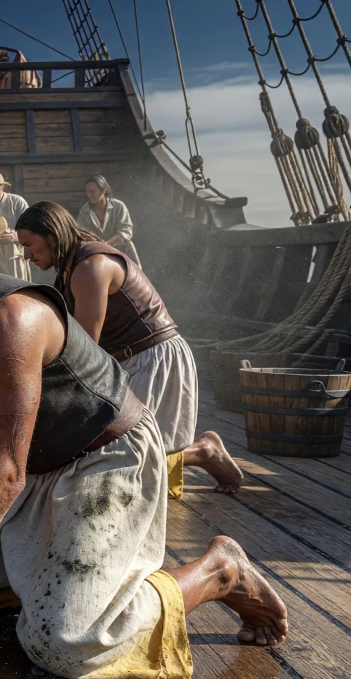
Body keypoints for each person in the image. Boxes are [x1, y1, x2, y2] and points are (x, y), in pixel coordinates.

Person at [0, 213, 287, 679]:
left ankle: (219, 572)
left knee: (61, 642)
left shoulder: (7, 322)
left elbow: (2, 473)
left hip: (104, 459)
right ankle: (51, 582)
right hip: (29, 468)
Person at [16, 201, 243, 498]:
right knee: (120, 453)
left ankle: (204, 452)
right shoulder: (72, 266)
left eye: (29, 244)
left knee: (129, 455)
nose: (26, 254)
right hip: (127, 360)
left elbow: (85, 345)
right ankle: (200, 452)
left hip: (154, 357)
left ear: (52, 234)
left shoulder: (90, 267)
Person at [77, 175, 140, 266]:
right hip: (96, 253)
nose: (89, 195)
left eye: (92, 191)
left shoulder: (118, 206)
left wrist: (107, 244)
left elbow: (126, 230)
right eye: (87, 191)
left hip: (121, 250)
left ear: (103, 190)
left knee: (135, 276)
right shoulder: (85, 211)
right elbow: (80, 233)